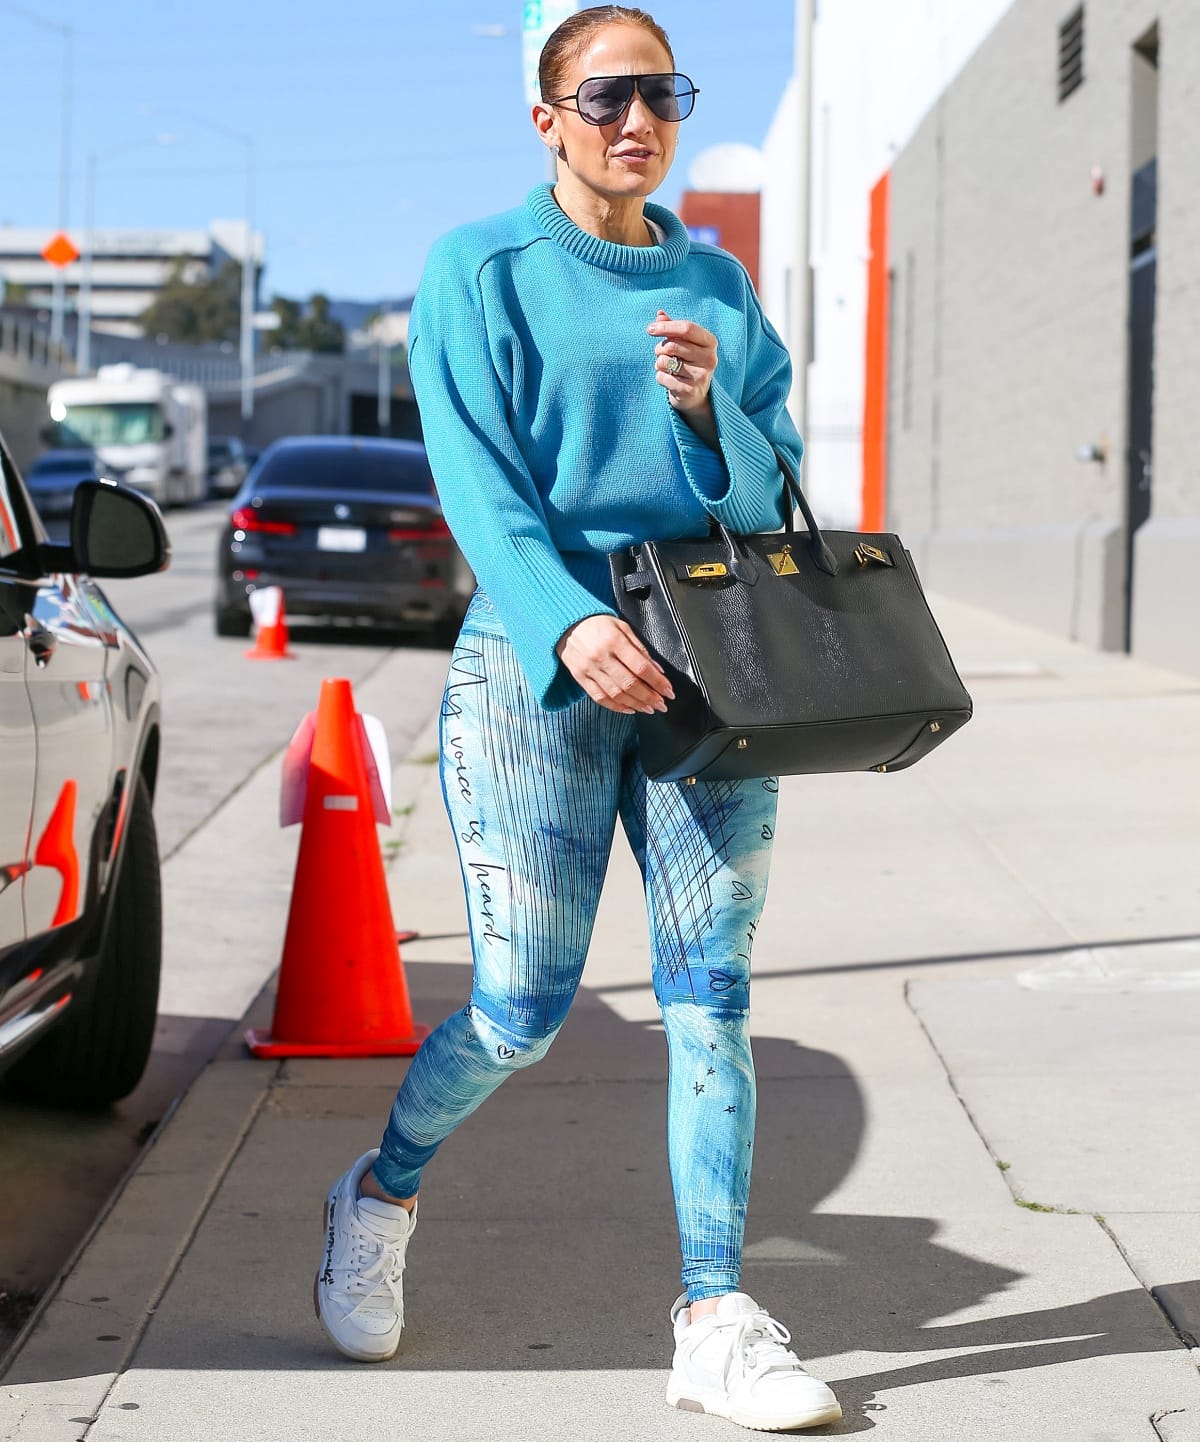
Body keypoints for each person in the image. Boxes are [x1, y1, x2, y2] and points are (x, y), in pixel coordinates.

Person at [314, 6, 842, 1432]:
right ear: (544, 115)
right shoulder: (477, 268)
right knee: (519, 1010)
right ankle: (380, 1190)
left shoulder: (720, 283)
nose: (639, 117)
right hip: (537, 666)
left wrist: (709, 409)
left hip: (705, 673)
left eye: (662, 91)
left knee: (711, 1002)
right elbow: (477, 485)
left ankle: (717, 1314)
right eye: (605, 92)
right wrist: (569, 618)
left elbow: (767, 491)